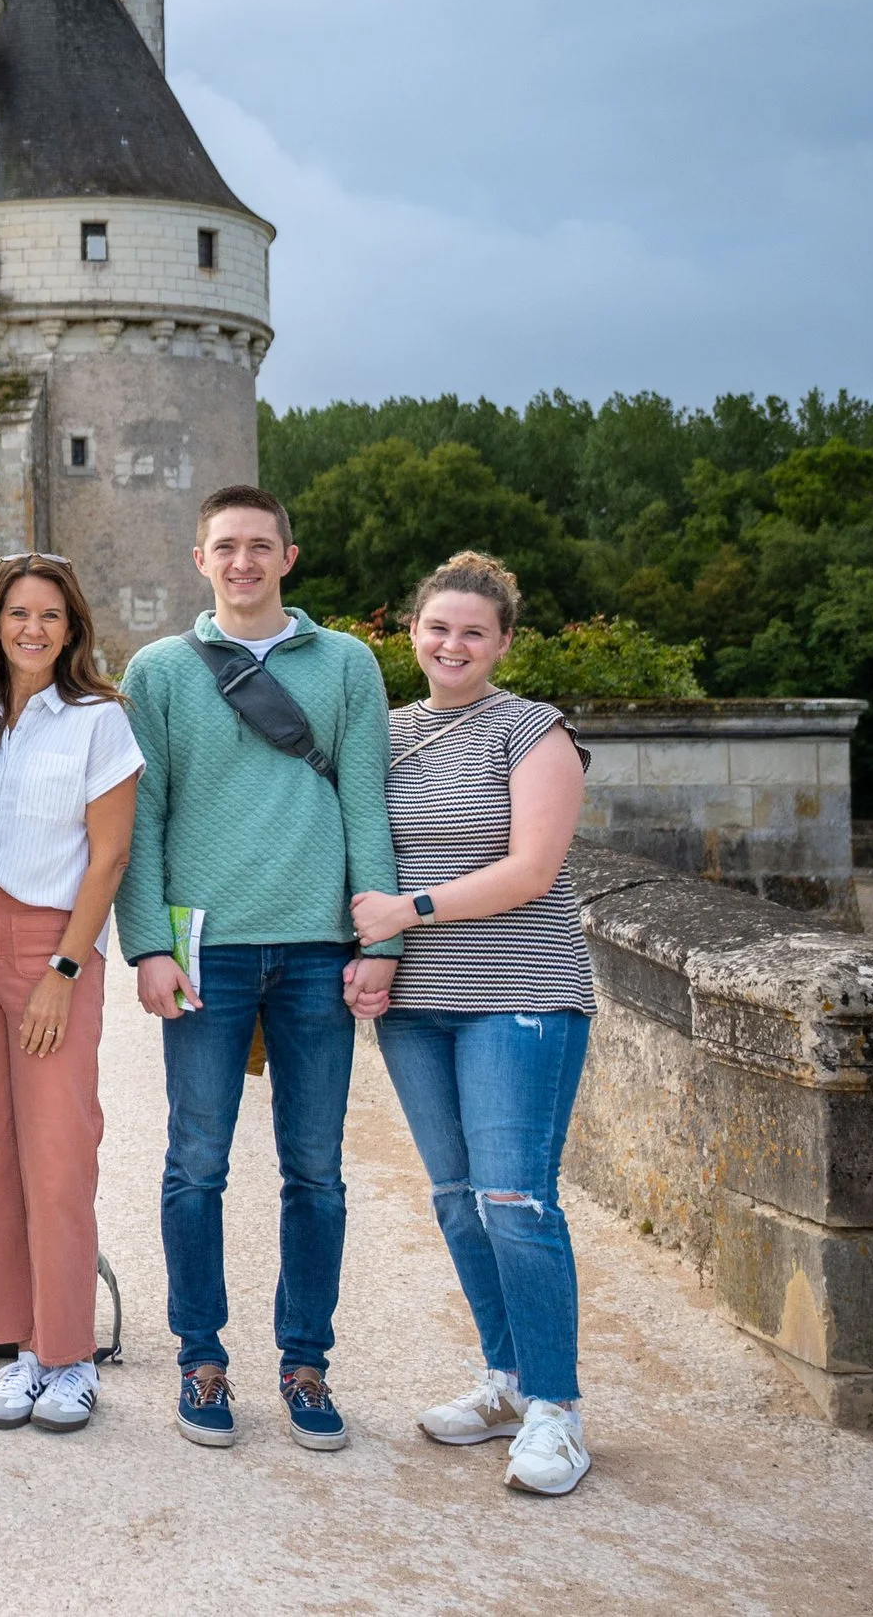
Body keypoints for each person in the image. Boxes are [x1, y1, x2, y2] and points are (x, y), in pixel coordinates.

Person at [120, 485, 400, 1451]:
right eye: (224, 547)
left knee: (315, 1171)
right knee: (196, 1165)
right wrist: (148, 943)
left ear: (289, 555)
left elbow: (368, 806)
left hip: (321, 948)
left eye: (259, 547)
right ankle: (201, 1355)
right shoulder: (156, 671)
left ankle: (306, 1363)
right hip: (208, 947)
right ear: (199, 559)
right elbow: (140, 820)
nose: (242, 562)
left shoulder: (349, 666)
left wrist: (383, 943)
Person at [350, 552, 598, 1497]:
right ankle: (507, 1382)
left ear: (502, 643)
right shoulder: (392, 732)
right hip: (419, 1007)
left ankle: (558, 1412)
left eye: (474, 632)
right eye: (438, 627)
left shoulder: (534, 731)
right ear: (412, 633)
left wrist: (405, 913)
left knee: (515, 1202)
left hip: (521, 996)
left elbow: (534, 870)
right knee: (456, 1200)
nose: (452, 644)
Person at [0, 553, 143, 1436]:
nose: (33, 629)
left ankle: (69, 1356)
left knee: (59, 1153)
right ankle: (21, 1345)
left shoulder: (99, 720)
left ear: (72, 631)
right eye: (18, 614)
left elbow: (108, 859)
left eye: (50, 618)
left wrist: (65, 971)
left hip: (48, 945)